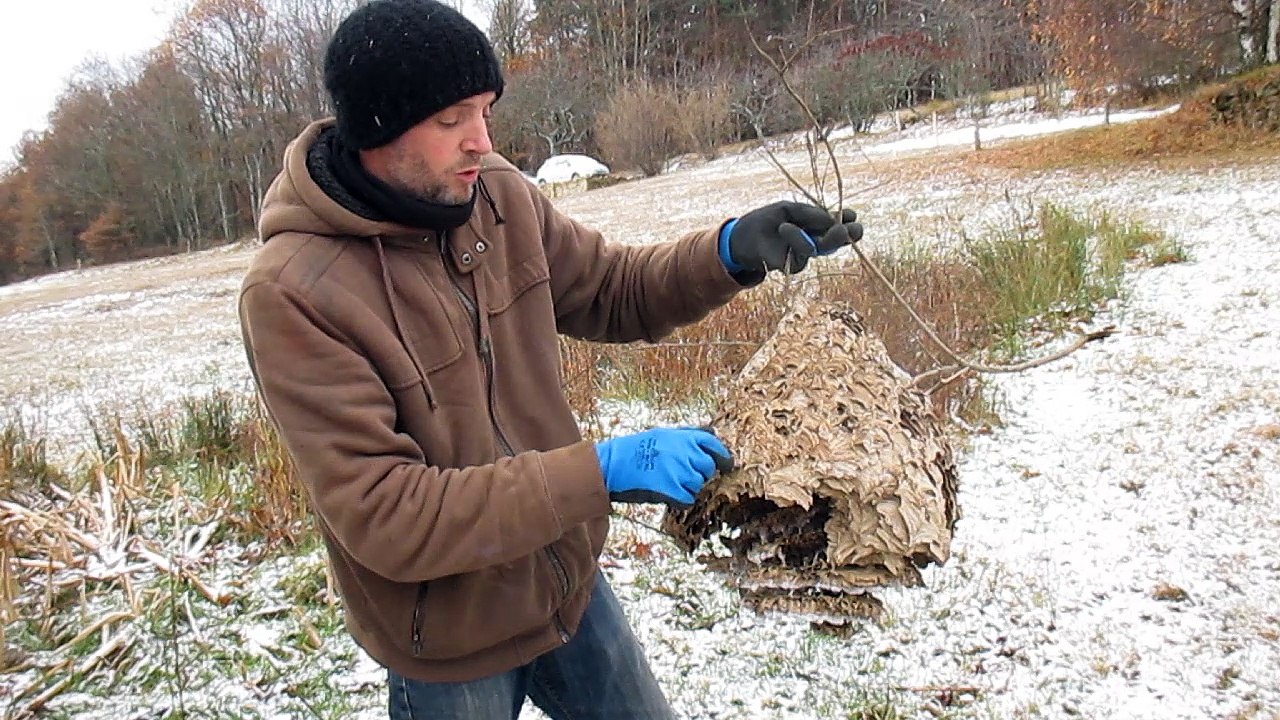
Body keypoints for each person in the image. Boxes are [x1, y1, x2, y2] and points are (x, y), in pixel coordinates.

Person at [237, 1, 862, 718]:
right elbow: (387, 515)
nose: (481, 141)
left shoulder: (496, 195)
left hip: (563, 581)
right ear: (378, 126)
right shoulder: (293, 294)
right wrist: (596, 472)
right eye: (451, 121)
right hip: (448, 636)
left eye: (485, 111)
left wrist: (729, 251)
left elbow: (612, 289)